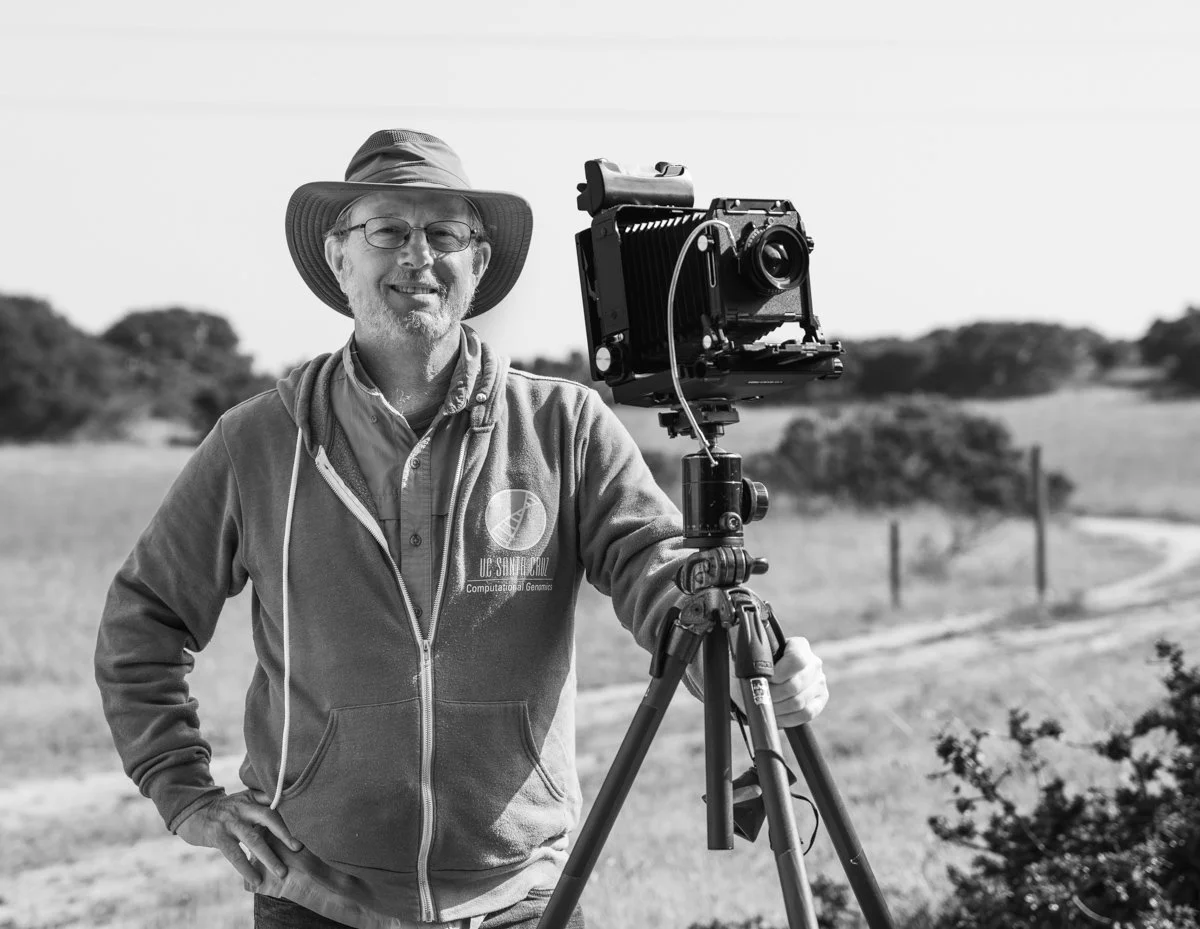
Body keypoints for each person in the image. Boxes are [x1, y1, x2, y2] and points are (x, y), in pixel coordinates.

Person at [94, 129, 830, 929]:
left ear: (478, 266)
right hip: (315, 898)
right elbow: (145, 618)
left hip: (525, 896)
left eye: (445, 234)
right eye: (387, 231)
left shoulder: (564, 423)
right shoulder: (260, 439)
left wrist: (741, 663)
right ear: (340, 260)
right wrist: (187, 794)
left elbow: (655, 566)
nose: (418, 256)